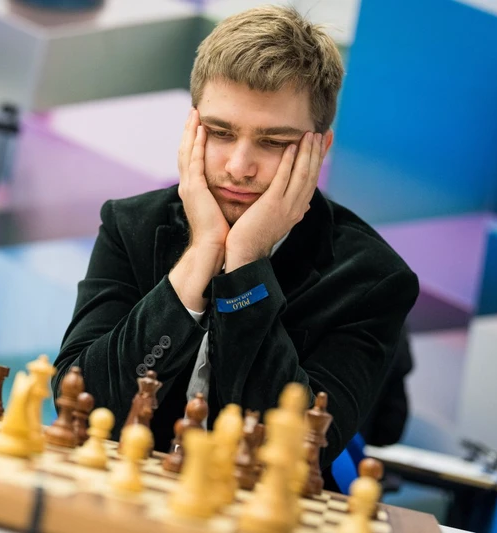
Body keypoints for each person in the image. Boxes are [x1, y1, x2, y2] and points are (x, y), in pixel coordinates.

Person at [52, 5, 419, 469]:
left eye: (274, 142)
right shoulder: (131, 225)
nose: (239, 167)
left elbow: (301, 453)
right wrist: (201, 253)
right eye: (220, 133)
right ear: (192, 130)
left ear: (320, 149)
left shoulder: (371, 278)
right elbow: (81, 402)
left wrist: (246, 262)